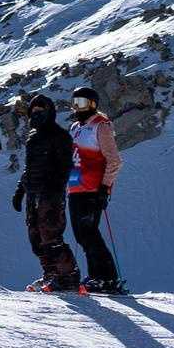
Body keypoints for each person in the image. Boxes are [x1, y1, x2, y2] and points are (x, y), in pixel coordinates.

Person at [12, 93, 81, 292]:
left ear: (50, 112)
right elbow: (29, 168)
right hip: (33, 194)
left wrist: (55, 187)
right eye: (33, 111)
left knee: (51, 236)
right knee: (36, 239)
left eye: (41, 110)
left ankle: (68, 278)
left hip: (50, 194)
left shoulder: (59, 136)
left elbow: (67, 166)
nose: (37, 114)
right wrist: (20, 191)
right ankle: (51, 275)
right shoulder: (33, 137)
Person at [65, 84, 124, 293]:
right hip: (76, 187)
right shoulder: (75, 128)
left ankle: (107, 278)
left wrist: (105, 186)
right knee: (82, 235)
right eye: (74, 103)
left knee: (89, 233)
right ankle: (96, 276)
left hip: (92, 188)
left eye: (82, 103)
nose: (77, 108)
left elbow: (114, 160)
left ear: (92, 104)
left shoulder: (101, 125)